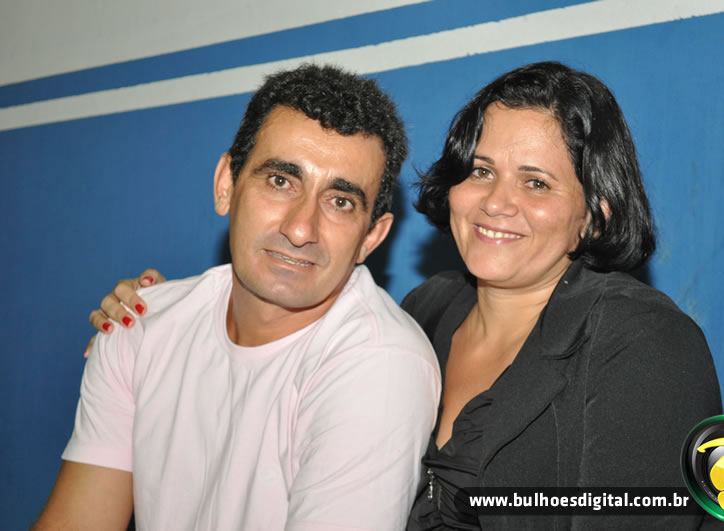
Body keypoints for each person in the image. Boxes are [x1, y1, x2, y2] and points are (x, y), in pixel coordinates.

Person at [85, 62, 724, 529]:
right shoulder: (427, 311)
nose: (496, 202)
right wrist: (159, 313)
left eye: (536, 183)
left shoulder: (645, 345)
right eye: (481, 171)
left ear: (593, 217)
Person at [35, 64, 440, 530]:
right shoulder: (140, 326)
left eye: (340, 201)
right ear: (226, 184)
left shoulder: (379, 365)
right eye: (281, 181)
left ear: (371, 237)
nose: (301, 229)